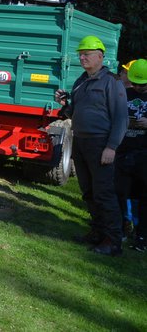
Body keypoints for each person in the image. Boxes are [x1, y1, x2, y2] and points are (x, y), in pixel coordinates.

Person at [55, 36, 128, 256]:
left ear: (100, 56)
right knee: (88, 192)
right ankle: (97, 232)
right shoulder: (81, 81)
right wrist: (64, 105)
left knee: (104, 193)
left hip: (100, 144)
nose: (82, 57)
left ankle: (113, 240)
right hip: (81, 141)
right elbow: (73, 113)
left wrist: (112, 147)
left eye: (87, 54)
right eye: (80, 54)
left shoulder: (112, 82)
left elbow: (121, 118)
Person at [115, 58, 147, 251]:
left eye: (142, 85)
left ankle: (142, 237)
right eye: (135, 83)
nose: (138, 87)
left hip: (145, 155)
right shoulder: (124, 94)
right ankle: (119, 231)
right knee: (119, 194)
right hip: (124, 152)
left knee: (144, 198)